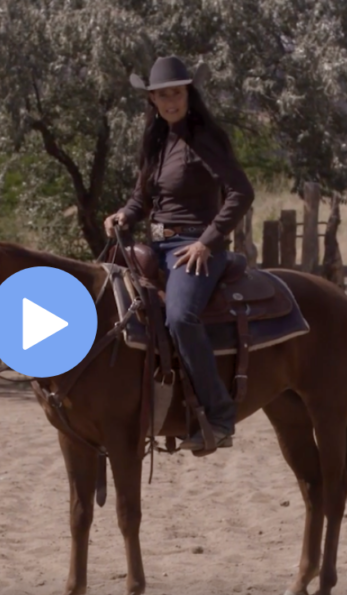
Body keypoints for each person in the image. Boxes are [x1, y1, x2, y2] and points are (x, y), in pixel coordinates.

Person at [104, 55, 255, 451]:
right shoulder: (155, 141)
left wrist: (207, 240)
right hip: (154, 247)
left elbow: (241, 192)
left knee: (180, 316)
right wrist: (124, 215)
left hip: (194, 249)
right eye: (162, 95)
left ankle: (219, 416)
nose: (170, 101)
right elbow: (141, 199)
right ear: (151, 100)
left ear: (188, 94)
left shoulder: (205, 139)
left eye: (176, 93)